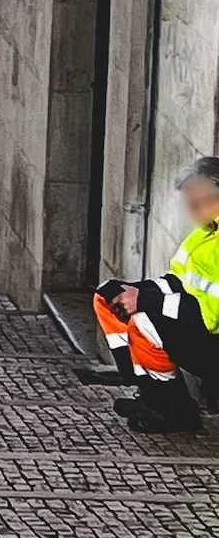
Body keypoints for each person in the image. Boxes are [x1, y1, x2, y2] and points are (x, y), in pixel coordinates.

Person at [95, 157, 219, 433]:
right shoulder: (204, 234)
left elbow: (210, 316)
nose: (192, 210)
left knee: (145, 322)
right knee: (107, 298)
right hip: (195, 322)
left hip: (211, 337)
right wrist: (135, 291)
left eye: (197, 202)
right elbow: (177, 281)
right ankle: (150, 394)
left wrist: (146, 300)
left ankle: (172, 411)